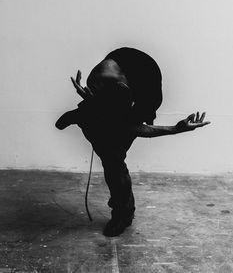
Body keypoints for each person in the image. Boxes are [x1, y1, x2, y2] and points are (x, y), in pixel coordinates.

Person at [55, 47, 210, 237]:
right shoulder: (99, 91)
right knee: (111, 156)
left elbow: (135, 128)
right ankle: (123, 206)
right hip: (108, 94)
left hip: (142, 85)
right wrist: (88, 109)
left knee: (114, 159)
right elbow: (62, 123)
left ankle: (123, 211)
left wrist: (176, 129)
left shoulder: (130, 94)